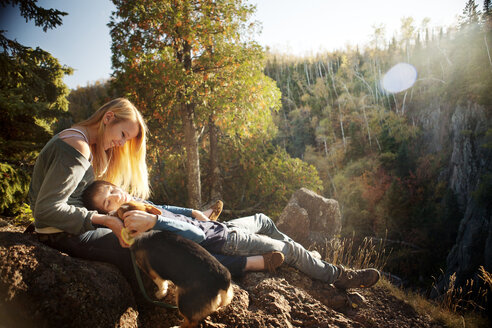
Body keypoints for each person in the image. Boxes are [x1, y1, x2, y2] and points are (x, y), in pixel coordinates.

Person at [28, 98, 279, 283]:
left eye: (127, 140)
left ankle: (198, 219)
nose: (121, 143)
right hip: (65, 233)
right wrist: (106, 220)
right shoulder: (77, 146)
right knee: (164, 243)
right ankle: (246, 263)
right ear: (108, 118)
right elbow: (46, 210)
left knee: (153, 220)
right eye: (123, 134)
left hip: (80, 223)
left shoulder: (89, 144)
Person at [84, 180, 381, 289]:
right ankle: (338, 275)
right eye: (108, 200)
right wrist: (157, 222)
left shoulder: (140, 205)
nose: (116, 194)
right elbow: (194, 238)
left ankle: (307, 258)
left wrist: (193, 212)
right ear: (108, 214)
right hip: (223, 240)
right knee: (289, 252)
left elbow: (167, 208)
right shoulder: (134, 224)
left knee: (263, 219)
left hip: (219, 229)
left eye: (112, 188)